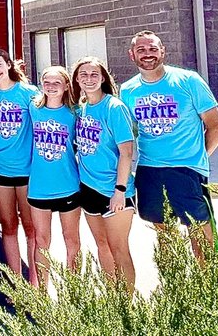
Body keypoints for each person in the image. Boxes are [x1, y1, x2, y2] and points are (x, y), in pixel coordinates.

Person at [120, 30, 218, 258]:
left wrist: (198, 157)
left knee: (200, 233)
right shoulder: (128, 89)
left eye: (152, 49)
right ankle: (174, 287)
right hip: (149, 171)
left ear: (162, 51)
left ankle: (209, 288)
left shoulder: (188, 81)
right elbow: (128, 132)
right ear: (132, 55)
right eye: (141, 50)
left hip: (187, 170)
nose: (147, 54)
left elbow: (217, 126)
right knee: (164, 234)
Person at [71, 56, 137, 288]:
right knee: (102, 244)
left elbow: (126, 152)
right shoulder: (81, 109)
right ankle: (112, 298)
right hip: (88, 188)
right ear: (77, 79)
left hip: (114, 190)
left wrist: (119, 190)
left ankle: (125, 307)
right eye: (84, 75)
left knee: (119, 248)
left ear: (103, 78)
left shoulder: (114, 108)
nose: (89, 79)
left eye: (94, 75)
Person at [0, 48, 38, 285]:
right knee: (8, 226)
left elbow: (41, 129)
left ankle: (36, 283)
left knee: (32, 229)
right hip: (0, 172)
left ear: (8, 65)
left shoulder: (29, 93)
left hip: (27, 172)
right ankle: (16, 284)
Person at [28, 66, 82, 287]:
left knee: (72, 241)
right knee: (42, 241)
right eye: (46, 82)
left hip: (68, 185)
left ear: (67, 85)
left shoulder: (75, 112)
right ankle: (42, 293)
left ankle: (75, 291)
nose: (51, 87)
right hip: (39, 186)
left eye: (56, 83)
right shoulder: (33, 108)